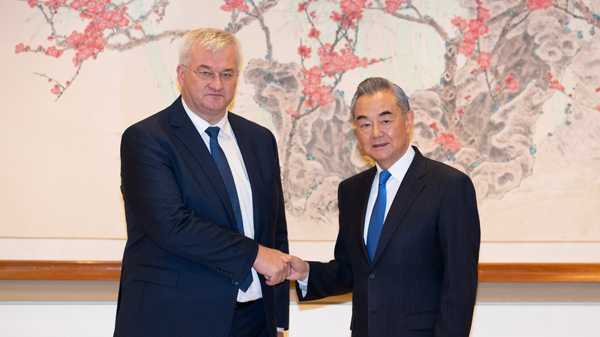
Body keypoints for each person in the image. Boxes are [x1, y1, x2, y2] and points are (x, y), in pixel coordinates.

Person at [114, 28, 290, 337]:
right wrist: (255, 254)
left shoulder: (260, 140)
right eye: (205, 72)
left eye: (227, 74)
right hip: (174, 319)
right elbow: (171, 225)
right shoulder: (146, 139)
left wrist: (277, 320)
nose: (217, 84)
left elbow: (274, 230)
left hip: (254, 321)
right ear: (182, 74)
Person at [288, 77, 481, 337]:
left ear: (409, 120)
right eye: (365, 124)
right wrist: (307, 273)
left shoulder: (449, 186)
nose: (376, 132)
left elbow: (460, 285)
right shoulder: (351, 191)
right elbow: (352, 270)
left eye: (386, 121)